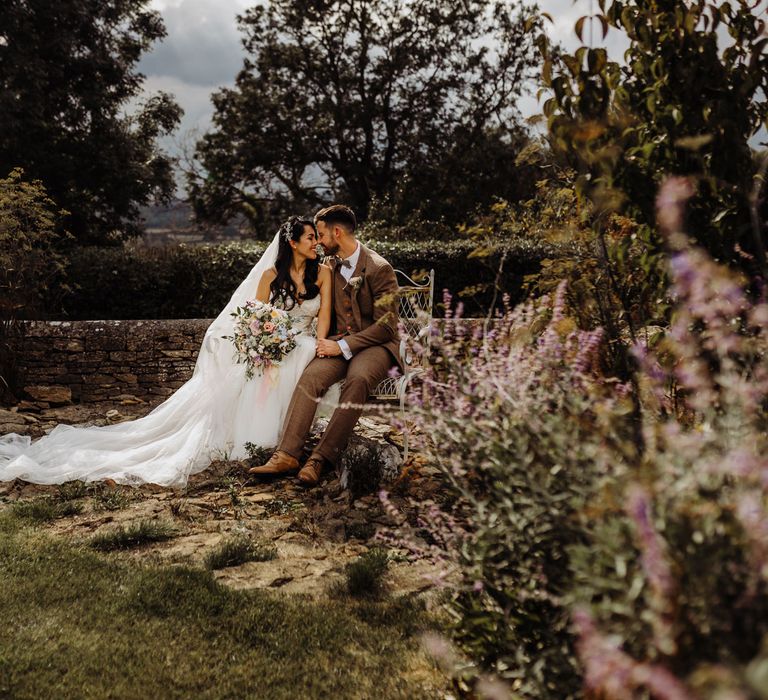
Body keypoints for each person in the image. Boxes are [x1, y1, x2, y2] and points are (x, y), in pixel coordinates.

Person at [0, 216, 332, 487]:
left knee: (301, 353)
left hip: (302, 341)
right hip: (274, 344)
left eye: (317, 239)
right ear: (292, 242)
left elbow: (323, 318)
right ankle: (264, 444)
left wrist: (312, 342)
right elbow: (255, 316)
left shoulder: (323, 274)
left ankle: (287, 442)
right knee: (276, 364)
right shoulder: (270, 276)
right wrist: (267, 339)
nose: (316, 243)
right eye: (309, 238)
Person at [249, 204, 401, 486]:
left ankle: (320, 458)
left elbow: (386, 327)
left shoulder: (380, 268)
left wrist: (344, 346)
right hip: (337, 345)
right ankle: (287, 454)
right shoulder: (328, 267)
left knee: (358, 380)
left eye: (320, 234)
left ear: (337, 232)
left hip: (376, 347)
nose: (317, 242)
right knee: (311, 377)